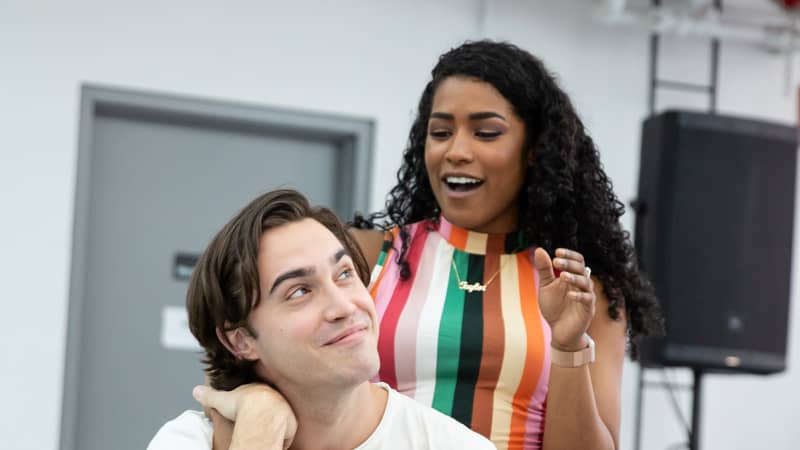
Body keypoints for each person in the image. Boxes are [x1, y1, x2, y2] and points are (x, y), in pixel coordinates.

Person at [211, 39, 664, 449]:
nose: (456, 151)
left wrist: (568, 347)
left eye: (486, 133)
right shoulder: (368, 257)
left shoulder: (583, 291)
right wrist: (255, 398)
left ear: (535, 149)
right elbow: (258, 358)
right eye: (441, 132)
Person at [147, 189, 496, 450]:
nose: (344, 306)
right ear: (241, 341)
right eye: (299, 291)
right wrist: (257, 436)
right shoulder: (189, 442)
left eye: (344, 274)